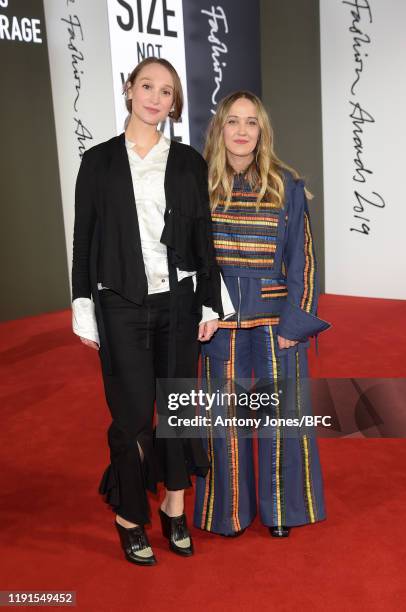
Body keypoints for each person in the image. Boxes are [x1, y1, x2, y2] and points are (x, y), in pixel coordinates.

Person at [71, 57, 232, 565]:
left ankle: (174, 505)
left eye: (166, 91)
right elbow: (84, 240)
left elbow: (202, 237)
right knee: (132, 417)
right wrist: (82, 304)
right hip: (119, 302)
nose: (155, 98)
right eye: (147, 86)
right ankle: (128, 515)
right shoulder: (97, 161)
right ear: (128, 89)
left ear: (174, 103)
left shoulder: (187, 162)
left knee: (178, 410)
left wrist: (210, 299)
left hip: (179, 302)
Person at [194, 91, 330, 537]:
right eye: (233, 121)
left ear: (262, 132)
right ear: (220, 128)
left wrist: (296, 323)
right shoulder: (198, 184)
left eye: (251, 122)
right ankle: (227, 514)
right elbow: (187, 256)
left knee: (280, 421)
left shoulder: (287, 187)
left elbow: (303, 259)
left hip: (275, 323)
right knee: (224, 424)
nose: (241, 131)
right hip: (218, 321)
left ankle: (282, 513)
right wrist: (198, 311)